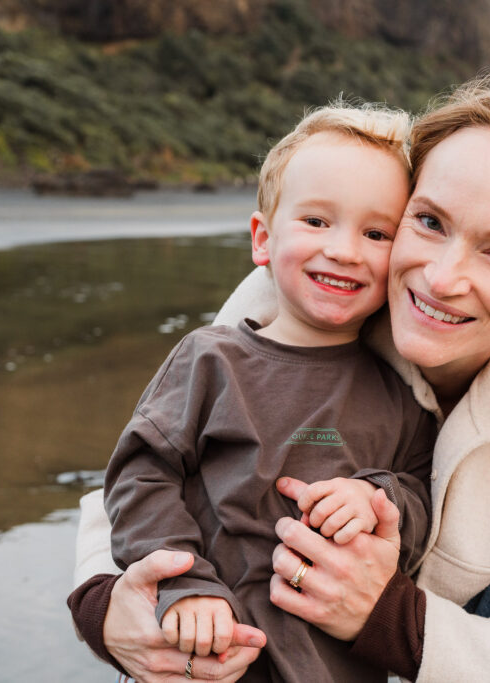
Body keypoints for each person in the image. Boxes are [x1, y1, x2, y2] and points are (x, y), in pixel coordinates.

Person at [70, 72, 490, 682]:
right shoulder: (301, 302)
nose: (443, 278)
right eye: (428, 222)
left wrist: (393, 618)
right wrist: (107, 611)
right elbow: (147, 467)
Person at [97, 102, 437, 683]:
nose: (345, 250)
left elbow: (420, 500)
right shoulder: (210, 359)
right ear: (262, 239)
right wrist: (182, 582)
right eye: (316, 222)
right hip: (206, 657)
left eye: (376, 232)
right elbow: (140, 474)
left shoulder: (402, 393)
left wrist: (377, 498)